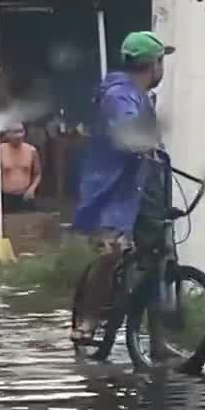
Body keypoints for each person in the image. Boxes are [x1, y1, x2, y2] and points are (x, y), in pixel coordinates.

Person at [71, 31, 174, 342]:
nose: (162, 68)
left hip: (145, 185)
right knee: (110, 253)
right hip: (115, 189)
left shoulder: (141, 95)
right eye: (161, 61)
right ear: (153, 65)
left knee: (159, 257)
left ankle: (158, 343)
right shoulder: (120, 95)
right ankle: (88, 319)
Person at [0, 122, 41, 213]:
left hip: (25, 196)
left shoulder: (32, 150)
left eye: (21, 131)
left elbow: (37, 174)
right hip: (5, 197)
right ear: (7, 134)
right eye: (15, 132)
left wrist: (32, 189)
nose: (19, 135)